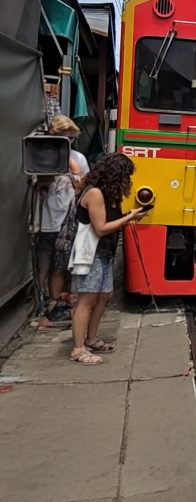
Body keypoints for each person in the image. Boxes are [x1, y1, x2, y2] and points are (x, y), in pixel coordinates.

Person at [70, 154, 145, 365]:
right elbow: (101, 228)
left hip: (105, 252)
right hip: (91, 253)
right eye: (126, 176)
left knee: (103, 296)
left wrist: (129, 214)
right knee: (86, 300)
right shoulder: (94, 193)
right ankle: (78, 349)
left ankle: (91, 338)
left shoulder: (109, 195)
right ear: (116, 176)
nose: (128, 181)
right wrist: (129, 218)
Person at [36, 115, 89, 325]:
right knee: (44, 264)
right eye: (63, 138)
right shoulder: (41, 155)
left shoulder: (79, 159)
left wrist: (68, 162)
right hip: (46, 219)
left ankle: (60, 302)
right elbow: (33, 183)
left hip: (69, 220)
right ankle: (45, 304)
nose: (68, 142)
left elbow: (83, 186)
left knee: (64, 265)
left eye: (70, 139)